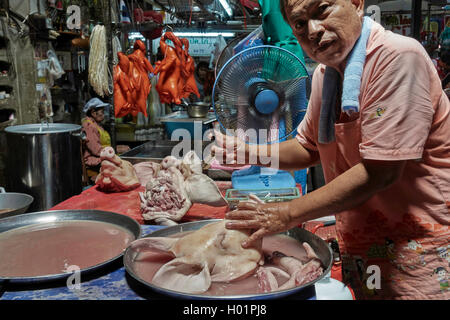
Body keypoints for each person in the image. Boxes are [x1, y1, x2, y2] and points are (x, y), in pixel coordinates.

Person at [212, 0, 450, 299]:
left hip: (417, 249)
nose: (312, 30)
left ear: (356, 4)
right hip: (364, 243)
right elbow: (307, 147)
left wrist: (286, 213)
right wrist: (251, 152)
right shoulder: (325, 76)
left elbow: (381, 172)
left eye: (322, 10)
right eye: (299, 24)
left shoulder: (397, 57)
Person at [81, 97, 129, 182]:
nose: (104, 114)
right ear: (93, 113)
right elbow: (96, 150)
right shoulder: (88, 126)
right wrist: (116, 150)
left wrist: (117, 148)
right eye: (102, 112)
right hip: (93, 160)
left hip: (101, 155)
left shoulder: (96, 124)